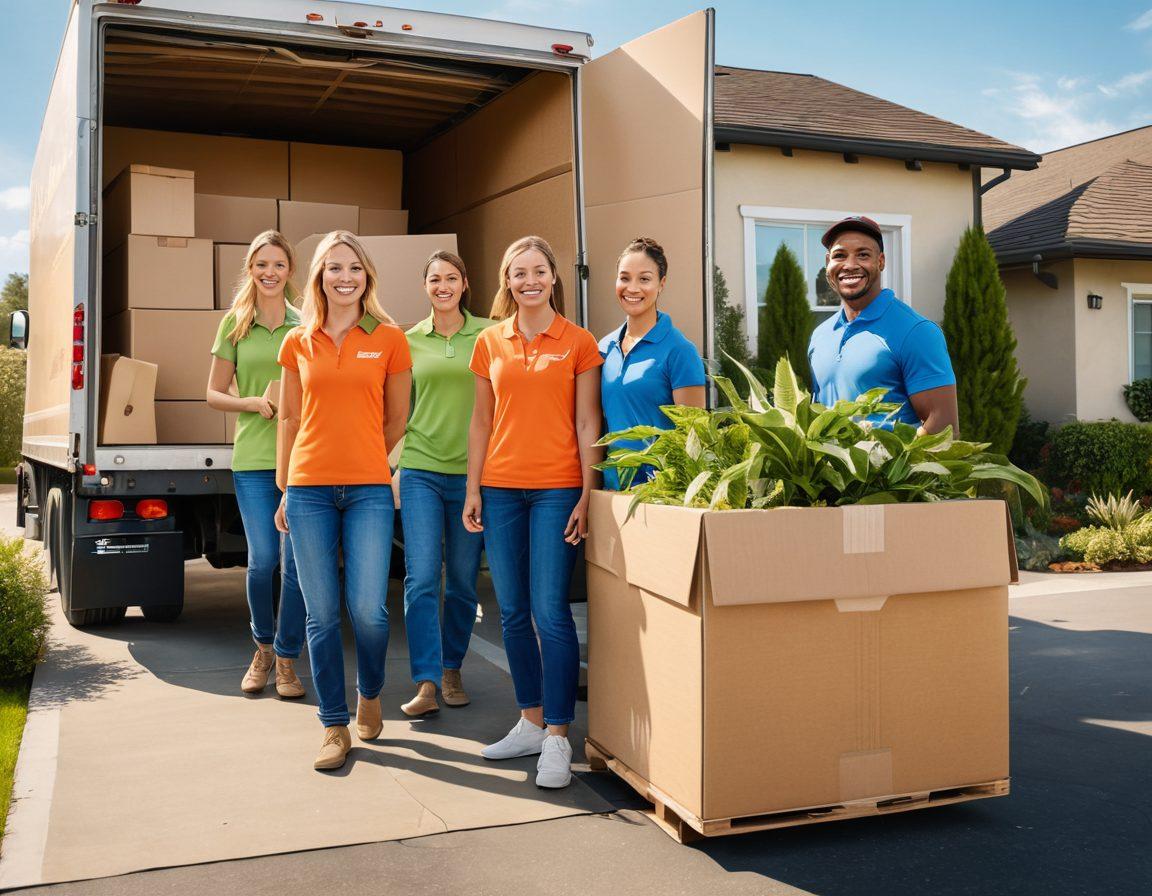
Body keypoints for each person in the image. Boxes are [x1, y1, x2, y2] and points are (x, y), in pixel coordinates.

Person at [463, 235, 603, 789]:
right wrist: (473, 488)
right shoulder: (489, 342)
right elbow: (480, 422)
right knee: (513, 612)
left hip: (555, 490)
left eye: (538, 271)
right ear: (507, 280)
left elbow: (589, 423)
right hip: (500, 489)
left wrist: (588, 494)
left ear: (552, 278)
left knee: (550, 612)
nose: (528, 281)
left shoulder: (578, 342)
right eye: (517, 272)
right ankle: (529, 719)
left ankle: (558, 738)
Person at [274, 231, 412, 771]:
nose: (344, 277)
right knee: (321, 614)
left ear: (367, 276)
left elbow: (398, 416)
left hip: (369, 490)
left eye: (353, 267)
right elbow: (288, 417)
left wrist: (365, 455)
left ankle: (370, 692)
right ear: (319, 278)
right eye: (333, 268)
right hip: (307, 488)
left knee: (370, 612)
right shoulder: (297, 341)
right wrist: (285, 488)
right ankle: (333, 725)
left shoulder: (390, 338)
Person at [206, 230, 307, 699]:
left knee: (294, 565)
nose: (270, 272)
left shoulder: (304, 324)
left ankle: (287, 659)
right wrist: (252, 402)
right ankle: (262, 649)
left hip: (303, 459)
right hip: (251, 461)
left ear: (290, 272)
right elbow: (212, 393)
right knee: (263, 560)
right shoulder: (235, 324)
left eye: (279, 265)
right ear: (250, 268)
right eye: (261, 264)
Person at [397, 251, 493, 717]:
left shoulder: (489, 335)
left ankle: (452, 666)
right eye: (434, 279)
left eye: (451, 278)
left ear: (464, 283)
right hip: (419, 470)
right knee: (419, 580)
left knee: (460, 581)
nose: (443, 286)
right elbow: (398, 410)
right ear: (425, 286)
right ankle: (427, 681)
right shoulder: (408, 340)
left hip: (472, 475)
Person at [807, 215, 958, 434]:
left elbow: (944, 428)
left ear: (881, 261)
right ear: (828, 264)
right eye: (840, 256)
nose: (849, 265)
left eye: (863, 255)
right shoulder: (820, 336)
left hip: (891, 468)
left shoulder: (917, 332)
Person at [599, 237, 706, 490]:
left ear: (662, 284)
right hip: (610, 492)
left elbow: (694, 434)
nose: (632, 288)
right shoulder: (603, 348)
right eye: (624, 278)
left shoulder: (680, 351)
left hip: (659, 493)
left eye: (644, 279)